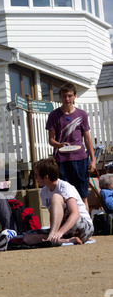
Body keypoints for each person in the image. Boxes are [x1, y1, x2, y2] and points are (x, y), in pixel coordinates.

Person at [45, 82, 96, 212]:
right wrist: (60, 144)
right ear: (60, 97)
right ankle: (67, 228)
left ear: (74, 96)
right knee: (64, 196)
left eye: (69, 96)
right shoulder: (54, 115)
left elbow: (87, 139)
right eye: (64, 96)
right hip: (61, 161)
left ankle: (86, 227)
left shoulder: (82, 114)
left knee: (83, 196)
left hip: (80, 159)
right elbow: (51, 140)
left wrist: (93, 160)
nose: (67, 99)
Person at [23, 158, 94, 246]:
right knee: (27, 237)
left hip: (83, 227)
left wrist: (58, 232)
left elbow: (75, 214)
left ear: (46, 177)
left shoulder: (65, 187)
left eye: (37, 175)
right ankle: (67, 241)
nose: (35, 177)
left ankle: (54, 237)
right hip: (66, 230)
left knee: (56, 197)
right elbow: (54, 217)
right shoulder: (43, 192)